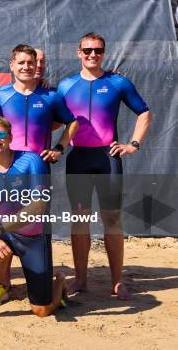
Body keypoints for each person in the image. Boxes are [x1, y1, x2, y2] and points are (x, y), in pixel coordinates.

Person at [0, 43, 78, 305]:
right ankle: (1, 285)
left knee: (38, 228)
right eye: (21, 63)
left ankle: (50, 284)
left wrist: (59, 148)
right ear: (12, 66)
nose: (26, 67)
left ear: (37, 66)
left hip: (36, 172)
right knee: (2, 228)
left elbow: (72, 121)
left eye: (30, 63)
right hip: (5, 171)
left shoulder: (50, 96)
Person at [57, 32, 152, 300]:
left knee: (111, 219)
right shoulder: (65, 86)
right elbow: (55, 117)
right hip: (78, 159)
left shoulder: (118, 82)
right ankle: (82, 278)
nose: (92, 55)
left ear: (104, 53)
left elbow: (144, 113)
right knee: (79, 220)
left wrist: (133, 144)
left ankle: (117, 281)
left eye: (97, 51)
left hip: (108, 158)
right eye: (87, 50)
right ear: (78, 52)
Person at [0, 115, 66, 326]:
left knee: (42, 310)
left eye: (0, 134)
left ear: (10, 137)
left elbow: (38, 206)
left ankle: (59, 284)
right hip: (4, 234)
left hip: (33, 237)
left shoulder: (31, 161)